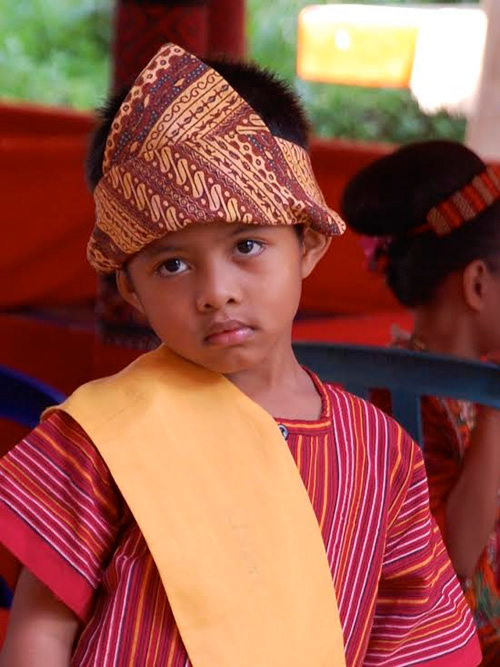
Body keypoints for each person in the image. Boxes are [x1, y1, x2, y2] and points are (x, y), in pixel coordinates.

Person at [0, 46, 481, 666]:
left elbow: (413, 647)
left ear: (308, 243)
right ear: (131, 290)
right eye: (171, 264)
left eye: (248, 245)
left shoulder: (379, 453)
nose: (215, 291)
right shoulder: (103, 434)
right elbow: (40, 632)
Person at [341, 139, 500, 665]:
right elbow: (452, 556)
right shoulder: (402, 401)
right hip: (457, 642)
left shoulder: (400, 384)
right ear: (478, 283)